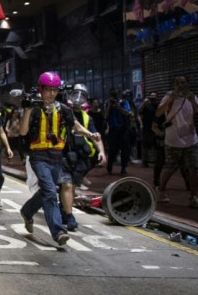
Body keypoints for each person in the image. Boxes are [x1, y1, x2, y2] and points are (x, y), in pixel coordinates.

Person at [19, 72, 100, 246]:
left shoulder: (63, 109)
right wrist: (26, 111)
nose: (51, 94)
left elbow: (75, 126)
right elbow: (23, 132)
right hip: (38, 156)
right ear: (41, 90)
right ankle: (57, 232)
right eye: (48, 90)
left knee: (46, 191)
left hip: (56, 157)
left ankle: (27, 211)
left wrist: (90, 134)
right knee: (49, 192)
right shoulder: (33, 109)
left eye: (54, 90)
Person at [58, 84, 106, 230]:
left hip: (79, 158)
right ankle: (69, 215)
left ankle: (65, 210)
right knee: (67, 185)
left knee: (71, 187)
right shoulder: (61, 112)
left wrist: (102, 152)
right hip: (63, 154)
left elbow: (95, 136)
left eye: (82, 96)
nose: (78, 100)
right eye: (75, 95)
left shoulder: (87, 118)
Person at [155, 76, 198, 208]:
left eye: (183, 83)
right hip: (173, 139)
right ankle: (161, 191)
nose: (180, 85)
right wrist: (170, 100)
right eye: (177, 83)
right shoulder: (168, 96)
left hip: (191, 139)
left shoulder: (192, 97)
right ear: (173, 85)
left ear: (187, 84)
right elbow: (158, 113)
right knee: (170, 167)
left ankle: (193, 197)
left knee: (193, 168)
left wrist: (192, 101)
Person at [105, 88, 132, 175]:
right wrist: (110, 106)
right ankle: (109, 166)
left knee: (125, 149)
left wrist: (118, 107)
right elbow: (105, 116)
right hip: (113, 129)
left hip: (123, 129)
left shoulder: (124, 102)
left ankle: (123, 168)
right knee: (112, 149)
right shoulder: (108, 103)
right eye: (113, 95)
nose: (114, 97)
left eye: (116, 94)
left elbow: (127, 113)